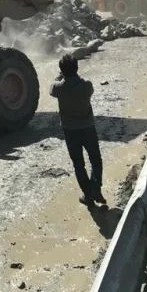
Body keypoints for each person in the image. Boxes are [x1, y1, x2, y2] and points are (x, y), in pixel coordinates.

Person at [50, 53, 106, 207]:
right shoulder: (86, 86)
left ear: (62, 70)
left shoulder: (58, 88)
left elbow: (51, 88)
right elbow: (84, 84)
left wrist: (60, 76)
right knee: (96, 160)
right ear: (77, 68)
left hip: (70, 131)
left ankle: (88, 195)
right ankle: (96, 188)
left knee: (78, 164)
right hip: (88, 128)